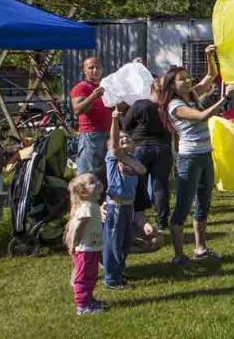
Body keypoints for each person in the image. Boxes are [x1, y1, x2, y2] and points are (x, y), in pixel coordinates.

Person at [159, 60, 231, 267]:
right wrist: (224, 99)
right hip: (189, 159)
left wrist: (210, 56)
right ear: (172, 85)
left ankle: (201, 249)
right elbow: (201, 116)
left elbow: (211, 76)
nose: (188, 80)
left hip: (205, 155)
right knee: (183, 206)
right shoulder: (175, 105)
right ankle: (179, 255)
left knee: (203, 203)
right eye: (182, 79)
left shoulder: (191, 95)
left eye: (188, 77)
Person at [112, 80, 173, 231]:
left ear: (150, 88)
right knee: (160, 186)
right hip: (163, 148)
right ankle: (162, 221)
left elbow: (125, 125)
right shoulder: (169, 106)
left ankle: (137, 219)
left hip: (141, 147)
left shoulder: (140, 105)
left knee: (138, 184)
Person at [102, 134, 145, 290]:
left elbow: (142, 170)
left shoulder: (132, 158)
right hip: (116, 206)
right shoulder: (112, 159)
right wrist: (114, 121)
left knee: (124, 243)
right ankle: (111, 280)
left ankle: (119, 272)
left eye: (128, 137)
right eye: (120, 139)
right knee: (113, 243)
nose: (125, 139)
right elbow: (114, 145)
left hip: (128, 207)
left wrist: (125, 156)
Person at [64, 173, 104, 316]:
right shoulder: (87, 207)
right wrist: (74, 244)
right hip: (85, 249)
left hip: (92, 247)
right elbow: (78, 227)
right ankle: (82, 305)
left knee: (91, 276)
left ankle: (89, 299)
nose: (97, 182)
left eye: (96, 179)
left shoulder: (92, 204)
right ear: (83, 191)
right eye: (92, 182)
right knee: (83, 277)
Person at [70, 56, 113, 183]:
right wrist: (93, 96)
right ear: (84, 70)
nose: (95, 70)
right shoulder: (81, 87)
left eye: (97, 67)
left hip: (107, 133)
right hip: (91, 135)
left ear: (102, 69)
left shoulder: (104, 87)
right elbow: (77, 110)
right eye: (91, 68)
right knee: (88, 174)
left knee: (104, 172)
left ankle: (101, 195)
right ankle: (82, 194)